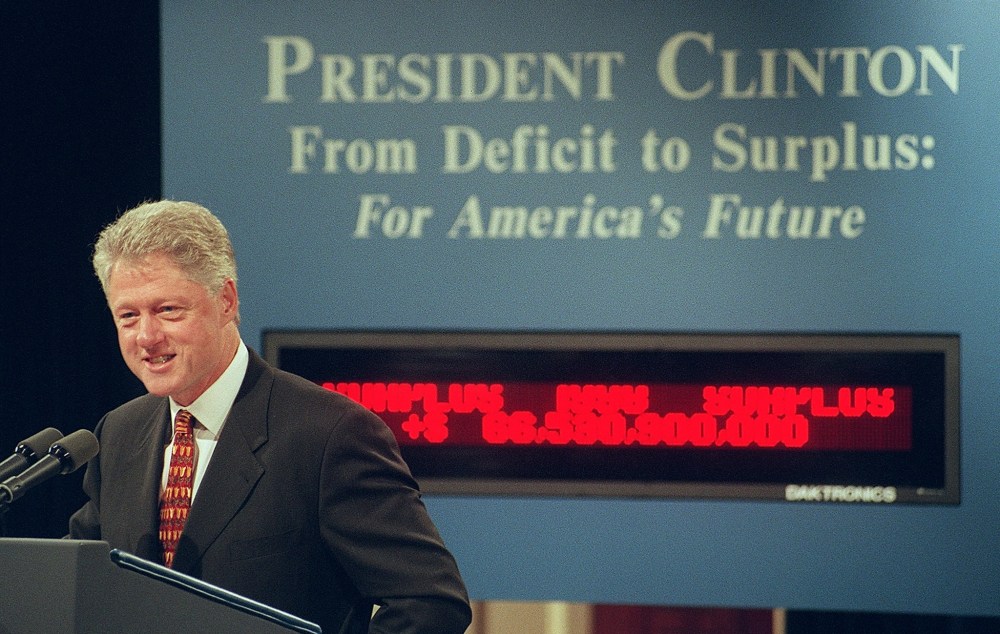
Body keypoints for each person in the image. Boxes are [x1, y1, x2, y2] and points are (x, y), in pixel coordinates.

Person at [69, 200, 472, 633]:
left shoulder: (328, 434)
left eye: (168, 310)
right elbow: (76, 581)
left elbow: (431, 601)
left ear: (226, 301)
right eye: (128, 316)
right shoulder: (118, 434)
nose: (146, 336)